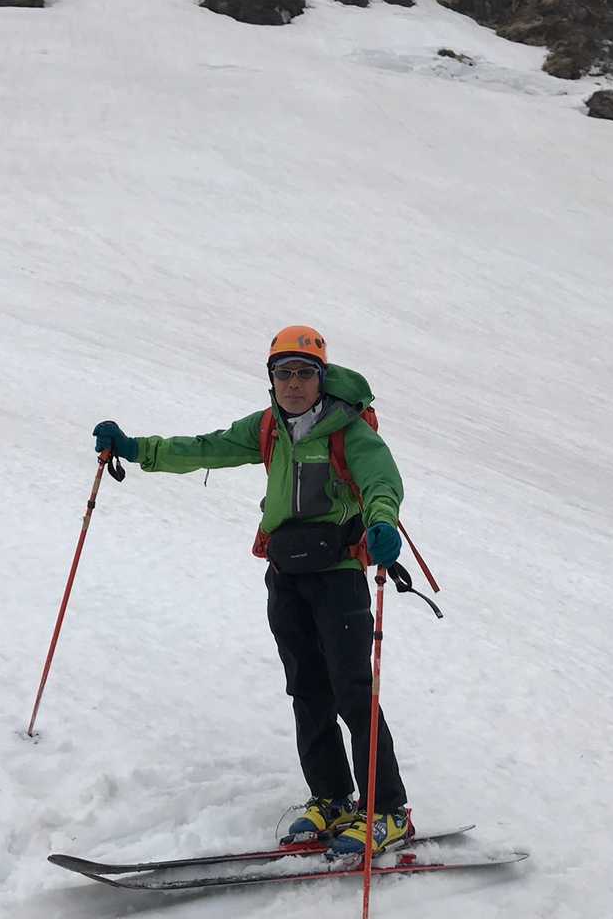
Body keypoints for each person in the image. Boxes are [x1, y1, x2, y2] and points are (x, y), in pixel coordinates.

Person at [92, 324, 413, 856]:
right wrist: (137, 449)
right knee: (307, 689)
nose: (293, 383)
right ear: (271, 378)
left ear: (322, 377)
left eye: (304, 373)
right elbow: (205, 447)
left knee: (354, 691)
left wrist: (382, 521)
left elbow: (382, 480)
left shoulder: (349, 430)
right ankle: (333, 798)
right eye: (283, 373)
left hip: (338, 575)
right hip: (286, 574)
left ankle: (388, 811)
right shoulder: (268, 427)